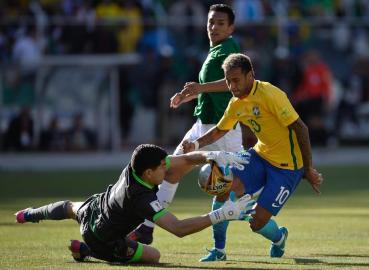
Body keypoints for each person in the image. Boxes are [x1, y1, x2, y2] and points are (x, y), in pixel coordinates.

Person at [135, 4, 256, 262]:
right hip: (204, 124)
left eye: (220, 23)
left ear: (231, 28)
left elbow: (231, 83)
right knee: (169, 171)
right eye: (211, 22)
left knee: (237, 188)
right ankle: (146, 230)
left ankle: (267, 221)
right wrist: (189, 94)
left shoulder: (229, 48)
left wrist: (199, 88)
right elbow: (210, 90)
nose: (214, 27)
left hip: (221, 130)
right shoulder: (214, 51)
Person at [183, 53, 323, 259]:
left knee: (257, 223)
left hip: (288, 168)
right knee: (223, 189)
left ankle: (279, 238)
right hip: (260, 155)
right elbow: (219, 130)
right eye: (228, 81)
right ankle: (219, 250)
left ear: (250, 75)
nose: (232, 86)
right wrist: (195, 144)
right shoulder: (236, 103)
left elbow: (301, 129)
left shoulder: (271, 94)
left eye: (236, 80)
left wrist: (307, 169)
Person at [15, 144, 253, 264]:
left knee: (69, 207)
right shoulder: (143, 200)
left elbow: (179, 161)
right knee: (154, 256)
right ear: (149, 172)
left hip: (95, 208)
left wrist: (210, 155)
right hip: (103, 239)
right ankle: (89, 252)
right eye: (162, 167)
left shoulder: (135, 166)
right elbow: (179, 229)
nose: (166, 168)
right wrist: (221, 214)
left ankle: (27, 214)